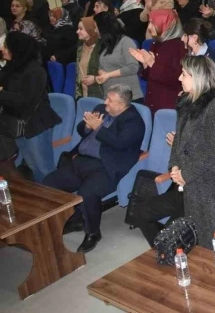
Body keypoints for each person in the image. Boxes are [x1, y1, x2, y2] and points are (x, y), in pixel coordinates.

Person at [132, 56, 215, 250]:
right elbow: (179, 140)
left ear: (198, 77)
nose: (179, 78)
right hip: (194, 185)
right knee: (199, 242)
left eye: (184, 74)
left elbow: (213, 152)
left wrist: (185, 174)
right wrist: (175, 167)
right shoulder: (186, 102)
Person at [44, 84, 144, 253]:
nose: (105, 102)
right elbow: (81, 129)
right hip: (81, 160)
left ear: (122, 105)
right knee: (49, 182)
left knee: (87, 194)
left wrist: (99, 128)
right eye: (106, 98)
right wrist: (87, 127)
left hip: (106, 167)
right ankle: (75, 218)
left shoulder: (134, 122)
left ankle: (93, 233)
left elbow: (119, 143)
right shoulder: (101, 109)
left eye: (110, 100)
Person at [0, 32, 61, 182]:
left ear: (17, 48)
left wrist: (2, 93)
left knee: (44, 168)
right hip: (18, 125)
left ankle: (54, 195)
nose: (2, 49)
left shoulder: (35, 71)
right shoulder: (12, 67)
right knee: (32, 166)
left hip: (36, 125)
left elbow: (24, 101)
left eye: (6, 46)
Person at [130, 9, 185, 113]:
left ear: (165, 24)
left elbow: (176, 78)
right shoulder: (156, 43)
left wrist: (151, 63)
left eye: (153, 23)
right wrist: (145, 63)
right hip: (153, 99)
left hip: (167, 103)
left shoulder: (179, 46)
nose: (149, 27)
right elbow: (149, 76)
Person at [93, 11, 143, 103]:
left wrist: (108, 75)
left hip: (129, 99)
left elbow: (133, 67)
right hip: (110, 97)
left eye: (96, 27)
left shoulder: (126, 41)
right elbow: (101, 66)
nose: (95, 30)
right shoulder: (105, 45)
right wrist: (101, 72)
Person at [75, 17, 104, 99]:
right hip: (83, 93)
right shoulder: (80, 47)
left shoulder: (102, 48)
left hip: (99, 94)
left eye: (81, 29)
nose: (77, 31)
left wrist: (95, 79)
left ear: (89, 29)